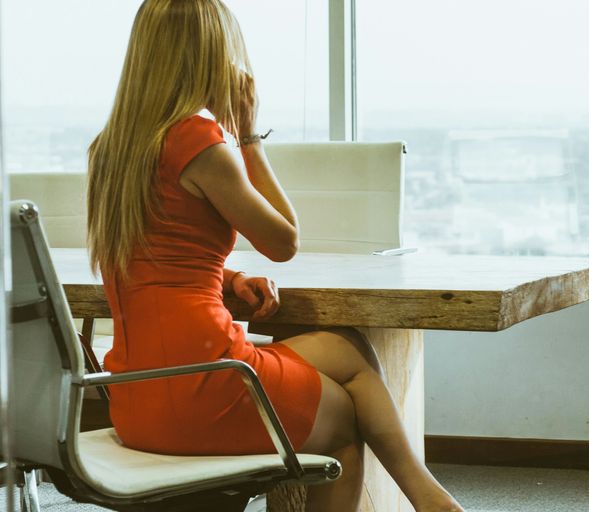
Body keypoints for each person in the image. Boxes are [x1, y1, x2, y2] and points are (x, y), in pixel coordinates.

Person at [85, 1, 462, 510]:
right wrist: (247, 136)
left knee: (348, 349)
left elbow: (147, 260)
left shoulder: (109, 150)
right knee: (344, 430)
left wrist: (228, 277)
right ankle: (429, 499)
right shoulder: (199, 141)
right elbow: (284, 242)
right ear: (211, 57)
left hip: (134, 391)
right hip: (206, 379)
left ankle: (428, 497)